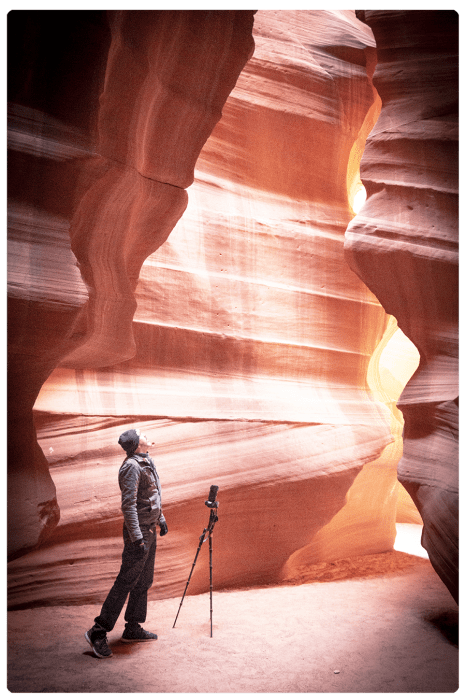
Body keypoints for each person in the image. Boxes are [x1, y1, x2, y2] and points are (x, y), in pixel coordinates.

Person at [85, 428, 168, 658]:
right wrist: (137, 536)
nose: (146, 432)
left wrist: (160, 518)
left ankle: (132, 627)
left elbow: (152, 495)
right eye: (141, 432)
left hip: (149, 530)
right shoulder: (131, 466)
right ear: (135, 444)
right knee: (126, 582)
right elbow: (128, 505)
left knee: (144, 581)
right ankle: (98, 631)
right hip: (139, 533)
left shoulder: (146, 461)